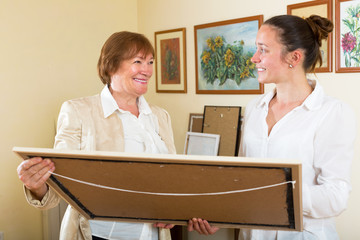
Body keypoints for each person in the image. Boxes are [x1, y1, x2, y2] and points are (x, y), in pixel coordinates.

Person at [188, 14, 356, 239]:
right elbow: (242, 178)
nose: (254, 58)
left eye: (263, 50)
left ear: (294, 58)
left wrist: (276, 193)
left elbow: (336, 196)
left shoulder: (333, 113)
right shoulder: (254, 109)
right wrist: (222, 213)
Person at [17, 31, 176, 240]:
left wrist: (175, 212)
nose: (147, 70)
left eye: (150, 62)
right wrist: (37, 184)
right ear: (111, 66)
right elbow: (59, 184)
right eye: (138, 61)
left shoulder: (160, 116)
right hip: (99, 235)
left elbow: (172, 182)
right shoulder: (78, 111)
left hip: (155, 236)